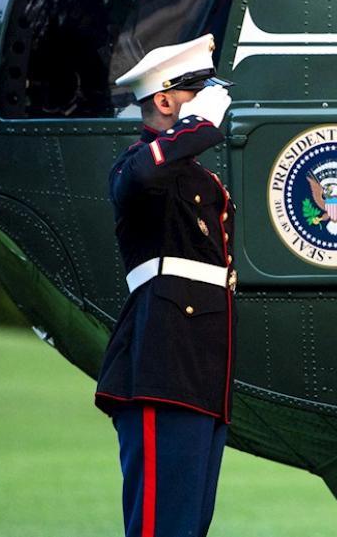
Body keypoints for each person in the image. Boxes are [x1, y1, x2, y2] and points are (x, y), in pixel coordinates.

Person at [94, 34, 238, 537]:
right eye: (200, 90)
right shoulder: (137, 167)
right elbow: (141, 175)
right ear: (164, 100)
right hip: (162, 363)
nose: (215, 101)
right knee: (161, 526)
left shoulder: (194, 179)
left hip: (199, 372)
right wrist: (198, 126)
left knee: (188, 523)